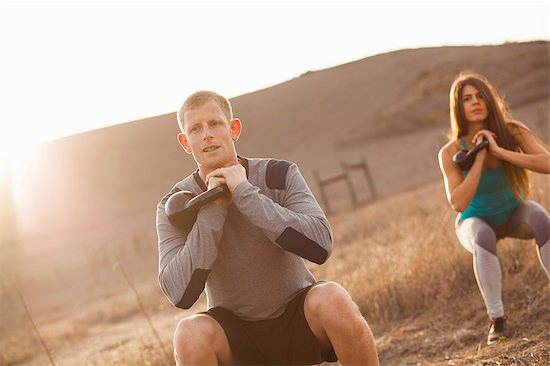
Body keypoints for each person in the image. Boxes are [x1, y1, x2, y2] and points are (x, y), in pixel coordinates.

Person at [156, 90, 379, 365]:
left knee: (334, 299)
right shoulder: (175, 205)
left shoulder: (279, 174)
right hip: (237, 340)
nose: (207, 135)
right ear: (185, 142)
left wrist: (245, 194)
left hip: (299, 319)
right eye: (195, 129)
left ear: (234, 129)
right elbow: (179, 293)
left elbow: (321, 245)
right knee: (188, 334)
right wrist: (213, 207)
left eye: (215, 124)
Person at [438, 72, 550, 345]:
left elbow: (547, 164)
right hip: (474, 221)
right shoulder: (450, 151)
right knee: (483, 236)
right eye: (467, 98)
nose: (475, 102)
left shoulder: (513, 131)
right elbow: (458, 203)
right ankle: (497, 321)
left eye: (480, 96)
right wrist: (479, 157)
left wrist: (499, 152)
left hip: (513, 213)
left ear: (489, 100)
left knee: (541, 219)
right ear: (458, 107)